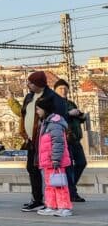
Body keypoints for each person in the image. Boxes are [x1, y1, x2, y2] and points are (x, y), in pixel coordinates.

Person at [19, 71, 70, 212]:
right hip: (31, 140)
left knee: (53, 174)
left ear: (38, 84)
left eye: (31, 82)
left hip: (44, 140)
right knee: (32, 168)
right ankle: (38, 200)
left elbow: (59, 120)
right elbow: (23, 115)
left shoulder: (52, 98)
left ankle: (60, 204)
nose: (28, 85)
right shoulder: (29, 97)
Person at [35, 95, 72, 217]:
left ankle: (64, 207)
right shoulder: (46, 123)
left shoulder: (54, 123)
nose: (37, 112)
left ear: (45, 109)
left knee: (60, 185)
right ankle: (51, 205)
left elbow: (58, 143)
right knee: (50, 185)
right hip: (48, 162)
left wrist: (56, 159)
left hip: (55, 161)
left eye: (38, 109)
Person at [53, 80, 89, 203]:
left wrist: (81, 117)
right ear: (55, 90)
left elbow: (76, 120)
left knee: (81, 163)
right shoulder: (54, 103)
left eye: (65, 88)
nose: (63, 91)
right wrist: (69, 113)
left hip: (75, 138)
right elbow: (55, 118)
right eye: (60, 88)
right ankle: (72, 193)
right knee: (68, 167)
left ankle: (70, 187)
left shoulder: (70, 103)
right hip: (64, 139)